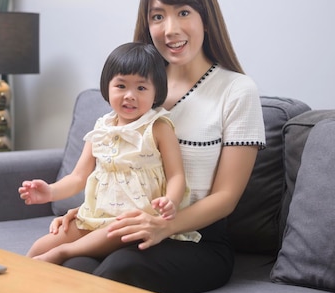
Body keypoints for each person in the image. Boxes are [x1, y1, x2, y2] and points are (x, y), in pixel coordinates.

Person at [53, 0, 266, 293]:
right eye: (157, 17)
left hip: (196, 240)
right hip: (124, 227)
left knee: (118, 270)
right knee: (71, 269)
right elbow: (111, 164)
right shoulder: (140, 86)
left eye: (183, 12)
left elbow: (226, 198)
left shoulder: (237, 90)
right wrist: (92, 210)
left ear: (205, 19)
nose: (170, 29)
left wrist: (164, 225)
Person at [19, 42, 201, 265]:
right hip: (96, 214)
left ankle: (64, 253)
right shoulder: (101, 128)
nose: (130, 96)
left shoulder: (158, 127)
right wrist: (49, 192)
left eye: (141, 88)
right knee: (41, 246)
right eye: (121, 86)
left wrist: (170, 200)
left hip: (134, 219)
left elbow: (176, 175)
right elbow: (77, 177)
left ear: (156, 93)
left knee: (70, 247)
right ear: (107, 88)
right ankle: (15, 285)